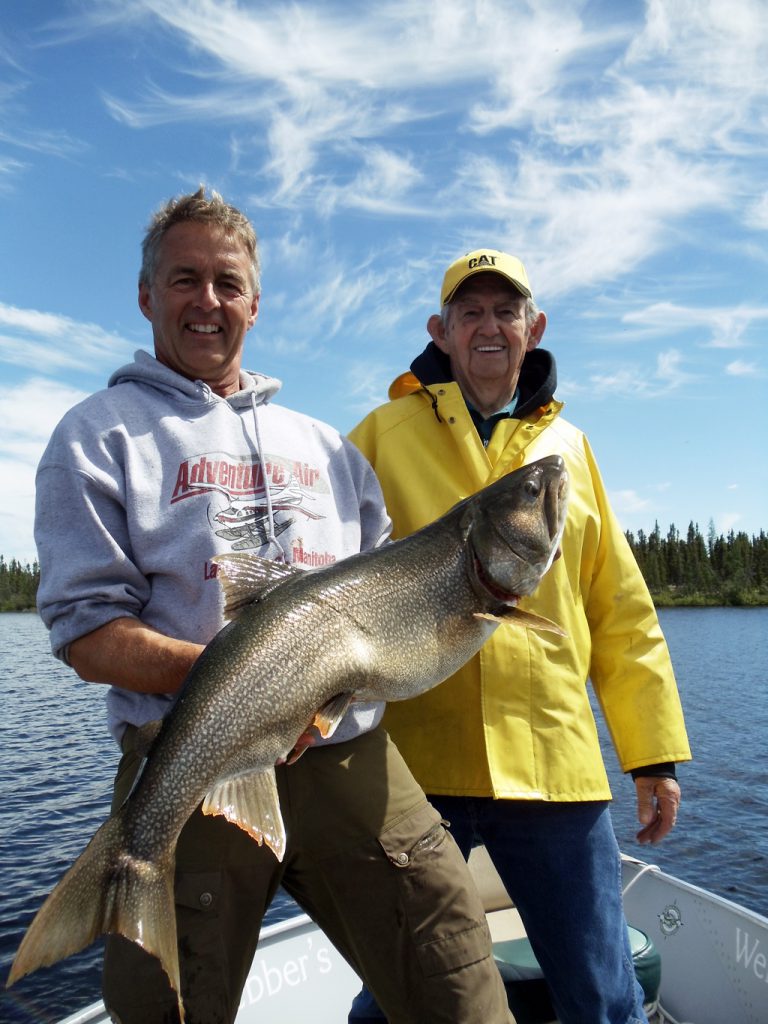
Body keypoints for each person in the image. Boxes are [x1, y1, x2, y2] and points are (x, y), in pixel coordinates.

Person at [33, 197, 514, 1024]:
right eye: (185, 279)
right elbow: (86, 632)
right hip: (192, 756)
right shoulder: (96, 435)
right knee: (168, 1008)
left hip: (351, 758)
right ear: (146, 295)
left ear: (256, 303)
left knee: (456, 982)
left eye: (229, 283)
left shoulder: (328, 448)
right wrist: (252, 686)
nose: (208, 302)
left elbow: (391, 601)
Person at [349, 248, 692, 1024]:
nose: (489, 327)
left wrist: (652, 754)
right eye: (470, 313)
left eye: (506, 311)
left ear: (533, 328)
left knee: (603, 997)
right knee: (392, 998)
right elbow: (323, 571)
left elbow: (621, 612)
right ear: (441, 332)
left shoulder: (568, 453)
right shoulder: (378, 435)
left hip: (554, 769)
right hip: (412, 769)